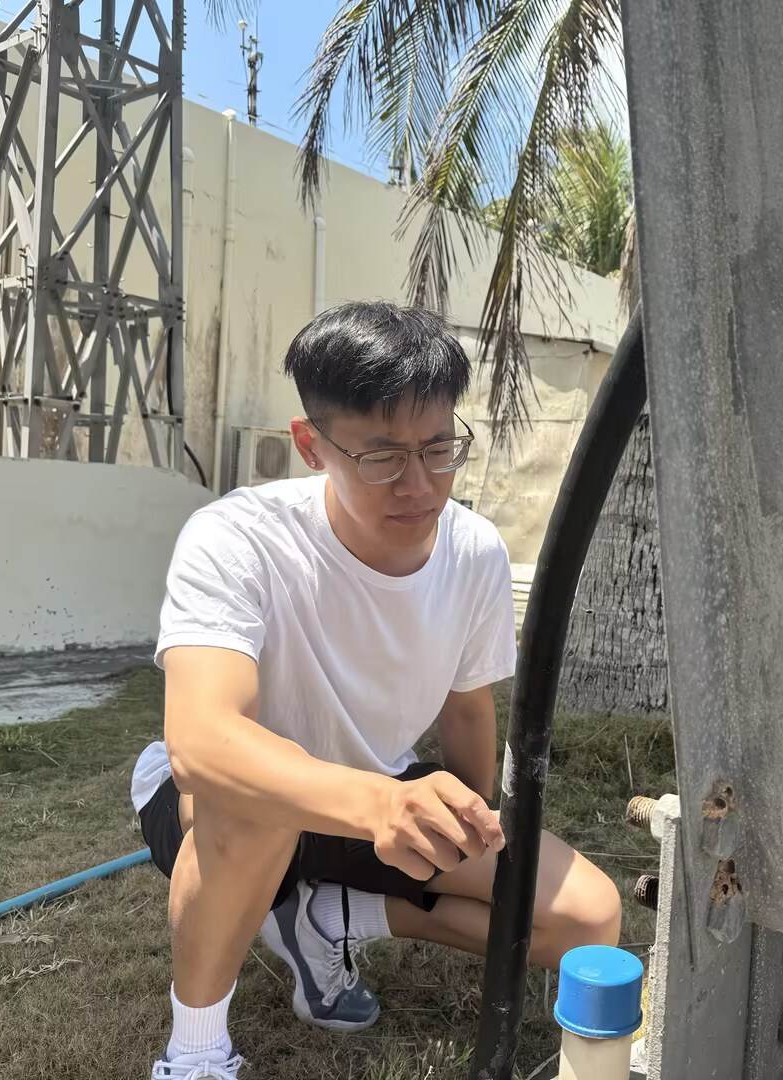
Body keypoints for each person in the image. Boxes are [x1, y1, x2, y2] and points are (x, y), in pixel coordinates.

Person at [130, 302, 622, 1079]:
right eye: (383, 457)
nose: (419, 485)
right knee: (256, 799)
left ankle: (336, 917)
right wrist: (381, 806)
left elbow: (468, 708)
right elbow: (202, 743)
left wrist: (467, 827)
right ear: (311, 446)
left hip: (377, 795)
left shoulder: (474, 554)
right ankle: (195, 1052)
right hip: (220, 804)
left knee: (587, 917)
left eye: (439, 448)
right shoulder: (237, 538)